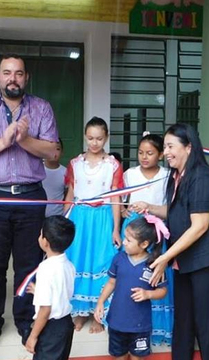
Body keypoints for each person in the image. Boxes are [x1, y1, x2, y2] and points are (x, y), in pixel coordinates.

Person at [0, 53, 59, 350]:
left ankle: (24, 319)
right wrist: (3, 141)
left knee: (29, 265)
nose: (12, 78)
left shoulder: (41, 108)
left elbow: (53, 153)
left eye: (18, 73)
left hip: (30, 196)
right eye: (7, 72)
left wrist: (24, 139)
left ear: (25, 77)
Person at [129, 123, 209, 360]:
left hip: (208, 263)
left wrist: (164, 257)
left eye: (171, 146)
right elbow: (177, 212)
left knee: (205, 327)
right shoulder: (176, 177)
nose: (166, 152)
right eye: (165, 147)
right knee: (183, 323)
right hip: (184, 262)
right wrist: (150, 207)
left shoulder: (202, 178)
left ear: (189, 148)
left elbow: (199, 226)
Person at [63, 116, 123, 333]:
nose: (94, 143)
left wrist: (116, 229)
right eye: (90, 138)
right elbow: (71, 192)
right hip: (79, 218)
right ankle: (79, 313)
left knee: (100, 262)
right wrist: (64, 220)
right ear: (85, 137)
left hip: (102, 218)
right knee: (77, 261)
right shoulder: (75, 163)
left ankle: (98, 315)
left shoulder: (113, 165)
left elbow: (116, 197)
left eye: (99, 138)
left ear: (106, 138)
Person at [121, 132, 172, 346]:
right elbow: (122, 201)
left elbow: (170, 205)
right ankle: (127, 320)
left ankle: (157, 326)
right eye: (140, 152)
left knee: (154, 273)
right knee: (132, 273)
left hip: (157, 232)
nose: (144, 157)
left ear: (160, 155)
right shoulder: (130, 174)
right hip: (134, 230)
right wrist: (124, 211)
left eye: (150, 153)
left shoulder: (168, 175)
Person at [95, 216, 169, 360]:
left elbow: (163, 291)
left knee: (137, 357)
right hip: (116, 322)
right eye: (124, 238)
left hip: (140, 326)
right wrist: (100, 302)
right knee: (119, 356)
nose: (124, 242)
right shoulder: (118, 259)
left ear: (144, 244)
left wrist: (148, 294)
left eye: (129, 240)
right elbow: (111, 283)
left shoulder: (154, 265)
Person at [24, 215, 76, 360]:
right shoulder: (69, 265)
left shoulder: (46, 268)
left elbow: (45, 309)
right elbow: (63, 292)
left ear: (45, 242)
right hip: (66, 324)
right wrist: (38, 291)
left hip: (51, 328)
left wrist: (33, 336)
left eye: (41, 233)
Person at [43, 139, 66, 217]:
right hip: (37, 216)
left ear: (62, 152)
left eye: (57, 149)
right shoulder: (37, 170)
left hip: (57, 216)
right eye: (49, 149)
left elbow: (68, 195)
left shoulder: (66, 172)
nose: (53, 152)